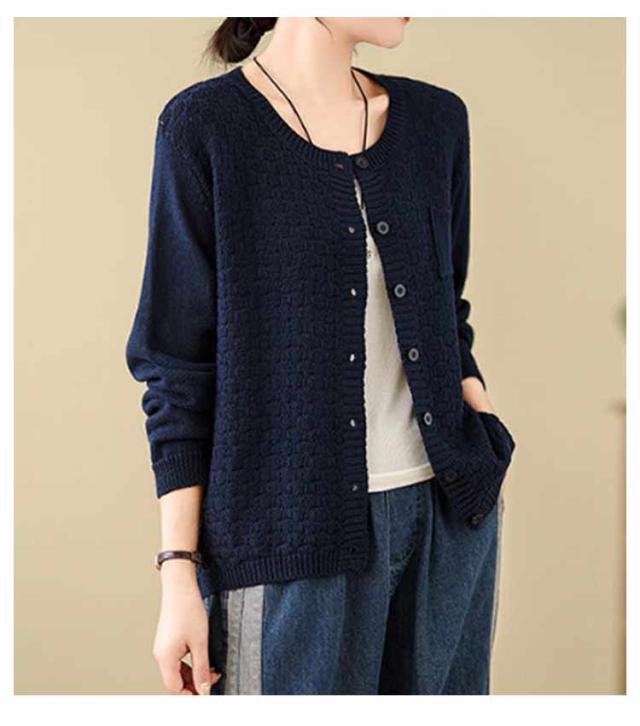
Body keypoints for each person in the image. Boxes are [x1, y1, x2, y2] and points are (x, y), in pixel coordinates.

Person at [125, 17, 516, 696]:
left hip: (447, 519)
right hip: (285, 541)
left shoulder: (437, 122)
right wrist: (178, 571)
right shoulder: (206, 128)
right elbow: (177, 366)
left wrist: (479, 426)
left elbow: (444, 304)